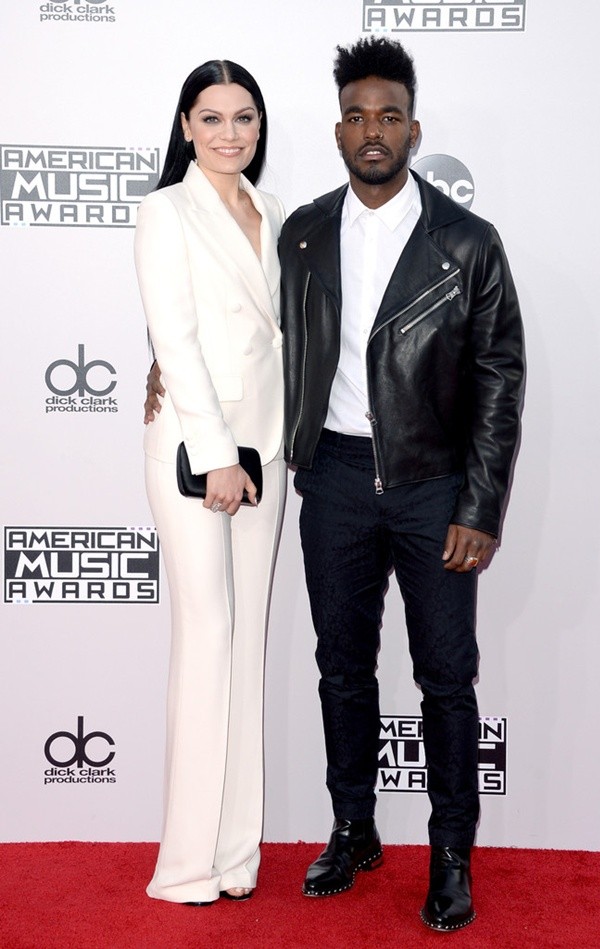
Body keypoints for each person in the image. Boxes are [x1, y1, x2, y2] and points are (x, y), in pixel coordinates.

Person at [278, 36, 524, 931]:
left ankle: (451, 852)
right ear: (337, 130)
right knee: (342, 670)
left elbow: (501, 377)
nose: (370, 130)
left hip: (432, 485)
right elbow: (261, 340)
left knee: (445, 678)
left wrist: (480, 506)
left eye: (388, 115)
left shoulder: (467, 243)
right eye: (355, 116)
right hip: (335, 477)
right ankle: (354, 826)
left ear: (414, 131)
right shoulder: (303, 231)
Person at [134, 59, 286, 906]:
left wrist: (267, 447)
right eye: (213, 118)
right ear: (186, 126)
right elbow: (176, 339)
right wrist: (218, 452)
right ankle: (186, 863)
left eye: (245, 118)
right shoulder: (165, 211)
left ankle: (236, 856)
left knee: (246, 650)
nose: (231, 133)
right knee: (206, 640)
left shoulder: (278, 213)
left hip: (269, 454)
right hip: (200, 455)